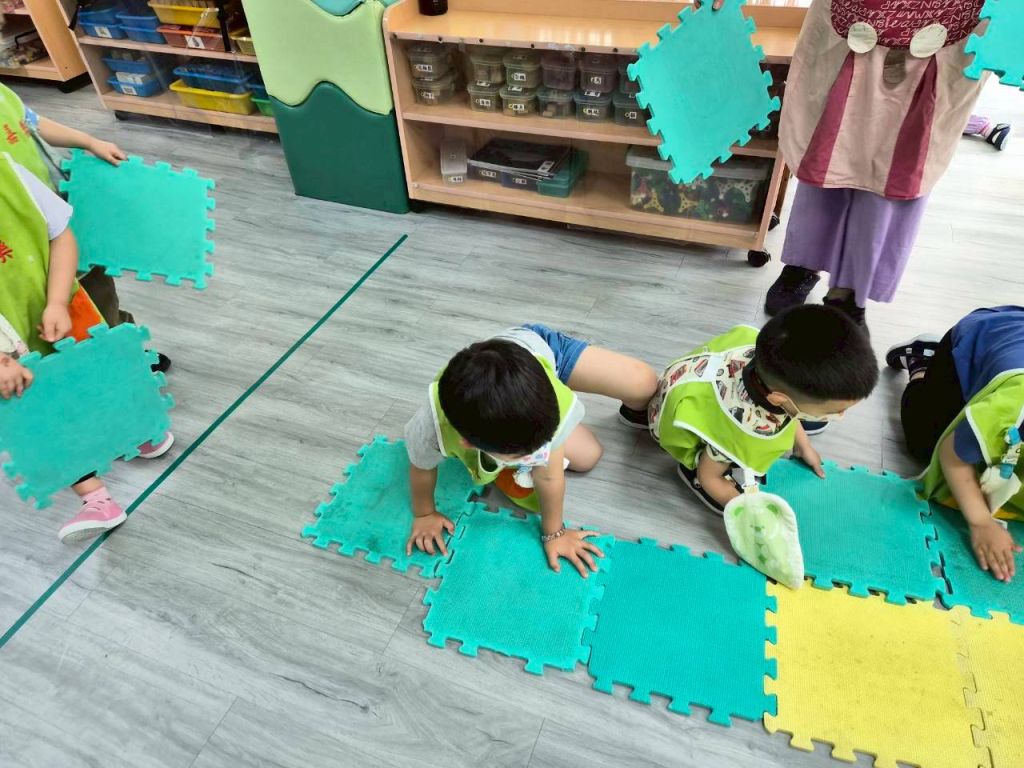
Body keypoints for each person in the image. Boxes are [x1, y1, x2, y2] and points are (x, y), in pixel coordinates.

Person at [762, 0, 990, 331]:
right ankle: (803, 263)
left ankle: (850, 292)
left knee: (899, 166)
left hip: (949, 24)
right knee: (828, 150)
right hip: (853, 17)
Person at [0, 153, 173, 543]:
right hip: (8, 348)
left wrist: (57, 301)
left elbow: (61, 234)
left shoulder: (9, 171)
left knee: (91, 374)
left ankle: (141, 432)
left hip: (57, 308)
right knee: (38, 409)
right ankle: (96, 497)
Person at [403, 325, 658, 577]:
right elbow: (421, 468)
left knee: (643, 386)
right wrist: (425, 513)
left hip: (541, 351)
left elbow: (549, 476)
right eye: (526, 455)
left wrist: (554, 533)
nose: (538, 455)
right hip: (510, 380)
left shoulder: (552, 397)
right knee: (584, 456)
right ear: (469, 444)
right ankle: (504, 461)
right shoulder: (430, 428)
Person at [0, 82, 169, 371]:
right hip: (17, 258)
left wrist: (89, 141)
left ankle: (127, 353)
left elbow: (31, 122)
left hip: (52, 218)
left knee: (98, 299)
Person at [650, 305, 878, 512]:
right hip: (678, 414)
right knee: (715, 468)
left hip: (700, 375)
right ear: (779, 400)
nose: (840, 416)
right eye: (833, 411)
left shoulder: (772, 354)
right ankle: (689, 473)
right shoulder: (737, 430)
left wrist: (803, 445)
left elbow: (787, 414)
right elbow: (709, 477)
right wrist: (747, 509)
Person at [888, 306, 1024, 583]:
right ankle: (921, 360)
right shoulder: (1012, 408)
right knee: (924, 442)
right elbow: (953, 454)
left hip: (1009, 349)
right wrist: (981, 522)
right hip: (978, 339)